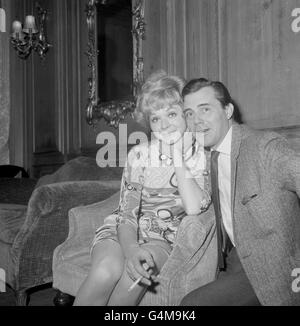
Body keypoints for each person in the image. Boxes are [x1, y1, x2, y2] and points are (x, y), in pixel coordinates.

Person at [73, 71, 211, 306]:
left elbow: (194, 207)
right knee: (106, 271)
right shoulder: (139, 155)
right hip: (124, 230)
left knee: (136, 274)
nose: (164, 125)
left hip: (163, 238)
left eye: (171, 114)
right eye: (155, 119)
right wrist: (132, 249)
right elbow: (126, 214)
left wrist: (178, 157)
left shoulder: (203, 157)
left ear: (187, 116)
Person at [180, 77, 300, 306]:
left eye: (205, 109)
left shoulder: (264, 146)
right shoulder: (208, 155)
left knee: (191, 305)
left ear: (228, 110)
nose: (196, 121)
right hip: (235, 259)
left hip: (275, 267)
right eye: (189, 113)